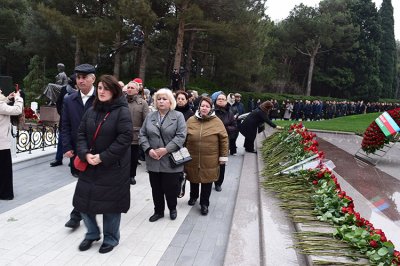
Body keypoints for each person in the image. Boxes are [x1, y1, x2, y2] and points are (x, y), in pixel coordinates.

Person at [73, 75, 132, 254]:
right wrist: (85, 154)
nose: (102, 91)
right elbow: (81, 133)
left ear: (114, 91)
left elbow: (124, 139)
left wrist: (103, 157)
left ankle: (111, 238)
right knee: (83, 202)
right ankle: (92, 234)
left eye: (106, 88)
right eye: (99, 88)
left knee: (111, 205)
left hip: (112, 167)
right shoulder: (91, 110)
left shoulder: (122, 111)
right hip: (90, 163)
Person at [139, 88, 187, 222]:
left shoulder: (178, 116)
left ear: (170, 101)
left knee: (170, 188)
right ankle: (158, 211)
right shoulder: (150, 116)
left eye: (164, 99)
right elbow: (142, 134)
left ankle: (172, 208)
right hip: (153, 159)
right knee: (156, 188)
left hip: (170, 159)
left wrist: (165, 150)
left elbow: (181, 136)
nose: (161, 101)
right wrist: (148, 150)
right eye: (158, 99)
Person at [62, 63, 96, 229]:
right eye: (78, 77)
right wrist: (67, 146)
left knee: (90, 182)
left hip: (99, 150)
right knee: (84, 181)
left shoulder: (103, 97)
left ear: (93, 79)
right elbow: (65, 125)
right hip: (78, 150)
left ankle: (76, 215)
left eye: (84, 77)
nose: (80, 81)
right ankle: (80, 213)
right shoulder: (69, 100)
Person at [185, 97, 228, 215]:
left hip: (210, 159)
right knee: (193, 178)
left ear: (211, 108)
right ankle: (193, 197)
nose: (204, 108)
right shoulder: (191, 120)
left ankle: (204, 204)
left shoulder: (217, 121)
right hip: (192, 157)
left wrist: (223, 157)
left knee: (207, 181)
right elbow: (183, 137)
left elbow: (224, 139)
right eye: (202, 106)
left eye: (207, 106)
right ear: (199, 107)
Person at [50, 74, 78, 167]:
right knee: (61, 140)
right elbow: (59, 103)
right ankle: (58, 159)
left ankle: (72, 160)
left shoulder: (81, 91)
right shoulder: (64, 89)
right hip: (65, 120)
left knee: (74, 141)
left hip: (76, 120)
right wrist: (63, 114)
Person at [0, 89, 23, 200]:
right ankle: (5, 194)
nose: (0, 90)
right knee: (5, 170)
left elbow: (2, 104)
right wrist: (18, 98)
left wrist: (8, 98)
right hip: (2, 143)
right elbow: (17, 110)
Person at [126, 80, 149, 185]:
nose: (129, 89)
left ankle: (131, 175)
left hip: (135, 136)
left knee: (133, 158)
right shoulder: (121, 101)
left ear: (137, 90)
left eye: (132, 88)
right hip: (122, 135)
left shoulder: (142, 103)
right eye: (128, 87)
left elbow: (146, 121)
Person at [213, 92, 237, 192]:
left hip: (223, 141)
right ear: (216, 101)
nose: (221, 100)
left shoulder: (230, 113)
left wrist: (224, 129)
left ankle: (219, 183)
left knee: (221, 162)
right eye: (219, 99)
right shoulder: (212, 112)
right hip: (212, 140)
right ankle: (210, 180)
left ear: (226, 101)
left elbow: (235, 126)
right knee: (211, 162)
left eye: (223, 99)